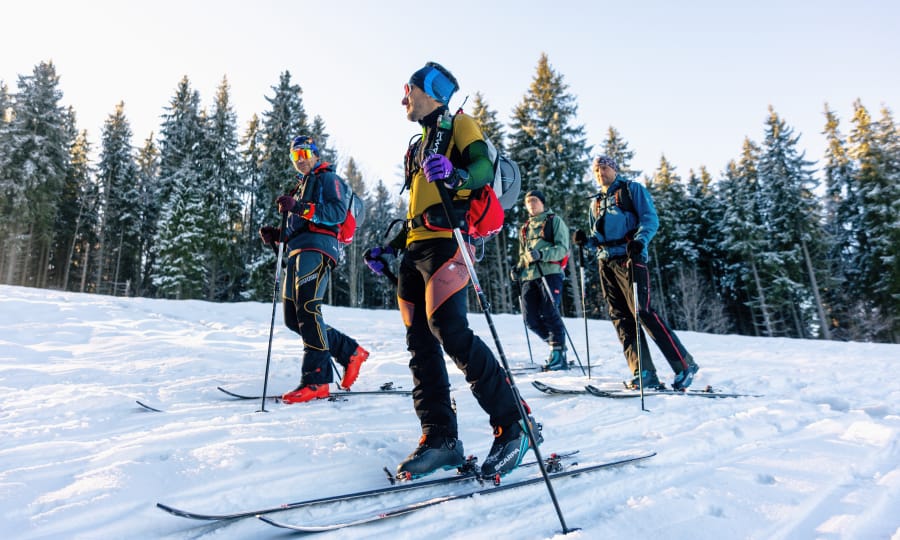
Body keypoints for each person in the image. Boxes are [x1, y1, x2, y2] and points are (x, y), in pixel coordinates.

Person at [364, 61, 541, 480]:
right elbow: (417, 206)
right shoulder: (418, 145)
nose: (402, 98)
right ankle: (440, 437)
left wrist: (459, 173)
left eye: (408, 89)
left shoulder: (461, 125)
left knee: (450, 329)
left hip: (448, 242)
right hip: (414, 248)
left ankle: (514, 423)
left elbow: (479, 166)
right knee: (419, 342)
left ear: (430, 91)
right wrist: (386, 248)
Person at [573, 155, 699, 391]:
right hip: (606, 263)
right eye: (596, 169)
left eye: (604, 167)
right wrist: (586, 241)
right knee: (621, 318)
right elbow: (597, 237)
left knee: (643, 312)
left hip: (630, 259)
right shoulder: (596, 202)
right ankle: (644, 372)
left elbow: (650, 219)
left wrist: (640, 241)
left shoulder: (631, 190)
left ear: (614, 169)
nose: (600, 172)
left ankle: (684, 365)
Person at [258, 136, 369, 403]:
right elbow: (299, 226)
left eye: (306, 153)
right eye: (295, 156)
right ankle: (349, 351)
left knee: (308, 310)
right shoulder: (301, 186)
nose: (301, 159)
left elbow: (336, 213)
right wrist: (277, 234)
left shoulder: (328, 179)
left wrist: (299, 207)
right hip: (297, 251)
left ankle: (316, 380)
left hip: (318, 249)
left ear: (316, 154)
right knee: (293, 319)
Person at [512, 189, 571, 371]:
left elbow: (563, 248)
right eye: (528, 201)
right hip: (530, 276)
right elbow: (524, 255)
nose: (531, 204)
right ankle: (556, 346)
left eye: (535, 200)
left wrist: (542, 254)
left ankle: (558, 353)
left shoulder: (554, 221)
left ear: (542, 203)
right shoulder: (524, 229)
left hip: (550, 273)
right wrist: (518, 268)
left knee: (549, 311)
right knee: (530, 319)